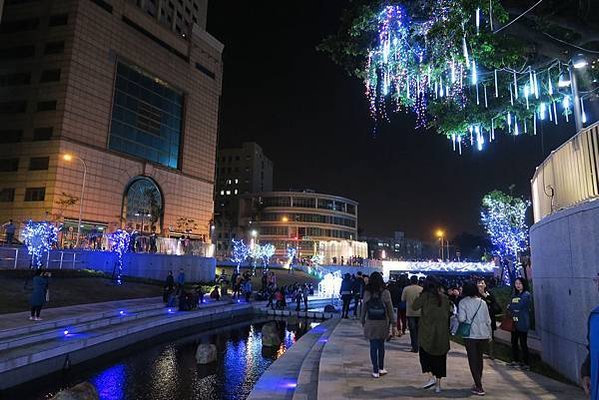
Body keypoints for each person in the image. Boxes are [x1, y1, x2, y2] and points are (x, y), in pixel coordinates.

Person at [412, 276, 451, 393]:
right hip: (442, 334)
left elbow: (414, 306)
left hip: (427, 333)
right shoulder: (444, 298)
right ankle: (438, 385)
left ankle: (431, 378)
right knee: (440, 359)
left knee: (425, 357)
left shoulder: (425, 297)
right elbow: (448, 312)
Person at [459, 281, 492, 396]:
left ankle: (479, 386)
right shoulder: (482, 302)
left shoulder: (463, 302)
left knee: (473, 360)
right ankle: (478, 382)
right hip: (483, 334)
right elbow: (488, 320)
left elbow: (462, 319)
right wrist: (490, 335)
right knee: (479, 359)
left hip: (471, 335)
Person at [360, 271, 395, 378]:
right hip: (383, 322)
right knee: (381, 345)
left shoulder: (367, 292)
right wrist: (393, 322)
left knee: (373, 345)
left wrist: (362, 320)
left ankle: (375, 370)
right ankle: (381, 368)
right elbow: (390, 308)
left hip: (371, 321)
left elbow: (364, 308)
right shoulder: (385, 292)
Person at [507, 277, 531, 370]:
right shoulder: (514, 295)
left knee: (523, 343)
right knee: (514, 342)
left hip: (522, 322)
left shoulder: (526, 295)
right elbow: (509, 306)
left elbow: (520, 305)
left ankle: (526, 363)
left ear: (523, 284)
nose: (517, 285)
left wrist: (513, 307)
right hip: (514, 322)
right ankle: (515, 360)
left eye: (520, 283)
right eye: (516, 283)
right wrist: (513, 307)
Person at [477, 277, 501, 359]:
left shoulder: (489, 293)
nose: (481, 285)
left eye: (482, 283)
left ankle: (491, 353)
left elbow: (493, 302)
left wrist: (484, 295)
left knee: (490, 335)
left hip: (489, 318)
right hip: (478, 319)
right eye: (479, 283)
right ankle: (480, 351)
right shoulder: (475, 294)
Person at [402, 275, 423, 352]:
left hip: (410, 312)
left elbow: (403, 299)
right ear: (417, 281)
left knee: (412, 330)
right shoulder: (421, 289)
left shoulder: (406, 289)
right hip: (420, 312)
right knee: (419, 330)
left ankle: (414, 346)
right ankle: (419, 344)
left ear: (410, 281)